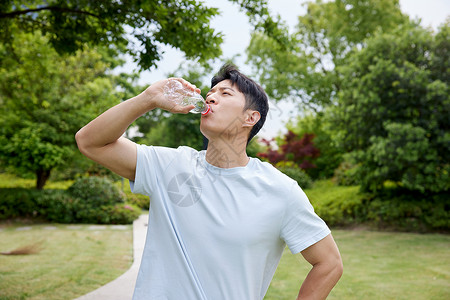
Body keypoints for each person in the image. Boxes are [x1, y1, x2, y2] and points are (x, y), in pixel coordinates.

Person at [75, 64, 343, 300]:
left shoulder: (280, 191)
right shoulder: (169, 165)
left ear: (250, 118)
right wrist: (148, 99)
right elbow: (90, 141)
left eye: (225, 94)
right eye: (211, 93)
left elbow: (329, 263)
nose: (211, 96)